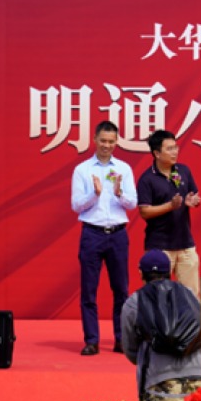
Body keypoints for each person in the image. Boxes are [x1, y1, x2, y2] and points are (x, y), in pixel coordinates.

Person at [121, 250, 201, 401]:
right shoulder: (190, 296)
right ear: (170, 272)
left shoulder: (135, 302)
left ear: (141, 273)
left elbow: (130, 349)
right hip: (196, 388)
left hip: (159, 387)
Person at [71, 120, 138, 356]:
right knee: (89, 290)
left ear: (116, 142)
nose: (106, 145)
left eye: (111, 141)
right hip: (92, 233)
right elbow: (76, 205)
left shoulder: (124, 169)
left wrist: (119, 193)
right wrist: (95, 194)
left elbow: (133, 203)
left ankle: (121, 339)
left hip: (117, 234)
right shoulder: (82, 170)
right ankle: (92, 340)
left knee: (121, 290)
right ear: (94, 140)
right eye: (103, 141)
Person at [137, 130, 201, 297]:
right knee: (157, 296)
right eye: (169, 149)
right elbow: (144, 211)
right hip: (159, 246)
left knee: (190, 296)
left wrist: (193, 200)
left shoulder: (183, 171)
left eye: (175, 147)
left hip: (185, 244)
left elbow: (193, 195)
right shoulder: (147, 179)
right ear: (157, 153)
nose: (175, 152)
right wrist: (170, 206)